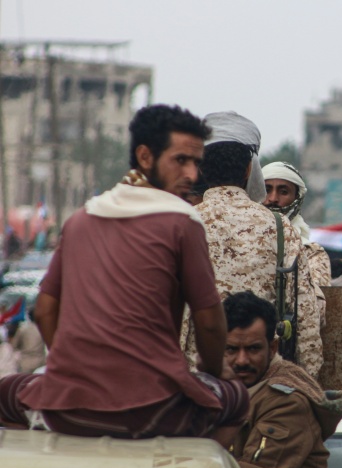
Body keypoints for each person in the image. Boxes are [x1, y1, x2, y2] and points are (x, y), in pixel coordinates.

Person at [0, 105, 248, 442]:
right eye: (180, 161)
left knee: (8, 391)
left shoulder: (82, 218)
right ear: (145, 157)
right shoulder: (182, 222)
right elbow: (209, 321)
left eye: (196, 163)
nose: (192, 175)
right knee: (236, 399)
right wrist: (213, 371)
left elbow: (44, 311)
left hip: (67, 411)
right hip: (153, 412)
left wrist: (72, 373)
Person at [182, 112, 324, 379]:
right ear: (249, 169)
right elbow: (307, 324)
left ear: (201, 168)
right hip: (264, 383)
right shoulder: (281, 229)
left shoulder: (179, 226)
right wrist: (304, 391)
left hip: (197, 385)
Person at [225, 291, 342, 468]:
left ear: (272, 348)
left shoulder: (287, 401)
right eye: (232, 349)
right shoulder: (228, 394)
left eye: (253, 349)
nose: (242, 360)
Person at [262, 161, 332, 321]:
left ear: (297, 198)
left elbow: (316, 311)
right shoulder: (242, 241)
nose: (273, 199)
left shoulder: (312, 253)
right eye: (266, 190)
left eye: (283, 192)